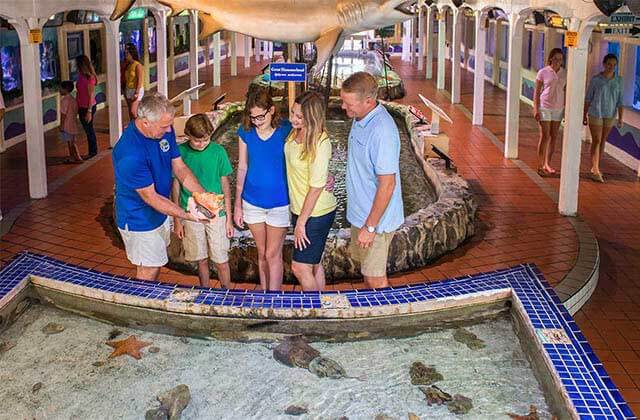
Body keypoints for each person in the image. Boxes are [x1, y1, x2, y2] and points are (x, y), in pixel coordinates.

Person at [113, 93, 209, 281]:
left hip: (159, 212)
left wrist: (202, 196)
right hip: (138, 218)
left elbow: (179, 167)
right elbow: (151, 197)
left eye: (169, 125)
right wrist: (186, 215)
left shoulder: (164, 129)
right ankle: (141, 307)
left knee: (155, 263)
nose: (168, 131)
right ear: (145, 122)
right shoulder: (129, 153)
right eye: (164, 126)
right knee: (148, 270)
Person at [341, 71, 404, 289]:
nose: (343, 107)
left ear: (369, 101)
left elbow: (388, 185)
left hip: (375, 222)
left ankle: (385, 319)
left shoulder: (382, 130)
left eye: (348, 103)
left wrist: (370, 227)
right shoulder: (360, 118)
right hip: (361, 215)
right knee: (367, 275)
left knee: (376, 279)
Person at [234, 87, 292, 291]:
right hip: (252, 202)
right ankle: (265, 295)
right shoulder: (246, 132)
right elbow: (242, 167)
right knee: (261, 253)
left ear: (272, 110)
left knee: (272, 254)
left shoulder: (287, 129)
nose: (257, 121)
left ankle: (274, 298)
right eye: (253, 117)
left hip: (280, 203)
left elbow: (305, 155)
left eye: (261, 117)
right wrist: (237, 205)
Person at [172, 114, 234, 288]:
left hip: (217, 213)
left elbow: (226, 187)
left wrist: (228, 219)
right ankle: (205, 292)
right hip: (191, 214)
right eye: (197, 141)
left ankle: (227, 293)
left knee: (221, 260)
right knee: (201, 259)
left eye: (206, 140)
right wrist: (178, 220)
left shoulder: (218, 152)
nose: (201, 144)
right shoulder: (180, 153)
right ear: (187, 136)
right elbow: (175, 187)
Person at [285, 91, 337, 291]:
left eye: (299, 117)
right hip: (301, 208)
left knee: (299, 267)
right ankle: (321, 304)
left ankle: (314, 311)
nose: (293, 119)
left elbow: (316, 188)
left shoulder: (320, 143)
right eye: (292, 113)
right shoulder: (294, 132)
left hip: (316, 213)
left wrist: (301, 223)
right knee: (314, 264)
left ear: (312, 117)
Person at [584, 53, 624, 183]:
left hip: (610, 114)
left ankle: (595, 166)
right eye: (609, 64)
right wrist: (584, 114)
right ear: (604, 64)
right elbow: (588, 98)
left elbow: (620, 100)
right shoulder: (596, 79)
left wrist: (620, 118)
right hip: (596, 112)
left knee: (603, 141)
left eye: (613, 65)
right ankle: (595, 168)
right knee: (596, 140)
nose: (611, 67)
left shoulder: (619, 81)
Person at [533, 48, 565, 176]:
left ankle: (547, 163)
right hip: (545, 106)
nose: (558, 61)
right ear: (551, 58)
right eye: (556, 58)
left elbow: (566, 91)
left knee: (554, 137)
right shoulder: (543, 72)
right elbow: (536, 92)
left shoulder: (565, 73)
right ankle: (540, 164)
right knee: (545, 135)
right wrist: (536, 108)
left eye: (560, 59)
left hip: (558, 108)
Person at [75, 55, 98, 158]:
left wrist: (89, 111)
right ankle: (92, 151)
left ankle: (93, 152)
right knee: (87, 129)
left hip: (88, 107)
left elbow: (91, 95)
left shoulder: (90, 78)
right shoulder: (80, 76)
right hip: (81, 106)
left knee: (89, 129)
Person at [58, 80, 83, 163]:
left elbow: (63, 114)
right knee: (72, 141)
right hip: (73, 123)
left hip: (67, 124)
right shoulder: (73, 99)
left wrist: (61, 125)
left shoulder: (64, 101)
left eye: (61, 88)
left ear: (65, 89)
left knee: (70, 142)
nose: (59, 90)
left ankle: (75, 157)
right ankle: (76, 157)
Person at [123, 43, 144, 122]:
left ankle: (139, 124)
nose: (126, 55)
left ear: (132, 53)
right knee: (130, 111)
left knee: (133, 111)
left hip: (136, 89)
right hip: (128, 89)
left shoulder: (137, 65)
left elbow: (139, 79)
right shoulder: (128, 65)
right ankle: (132, 126)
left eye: (127, 53)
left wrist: (137, 92)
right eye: (125, 53)